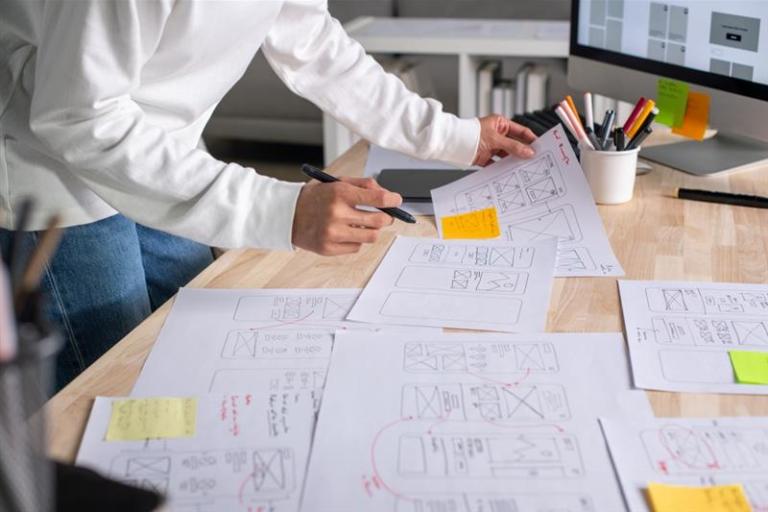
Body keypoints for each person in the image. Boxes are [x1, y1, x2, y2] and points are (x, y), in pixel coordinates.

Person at [0, 0, 536, 388]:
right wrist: (280, 210)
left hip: (163, 157)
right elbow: (77, 115)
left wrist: (454, 137)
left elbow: (313, 45)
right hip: (50, 172)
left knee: (194, 354)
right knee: (112, 391)